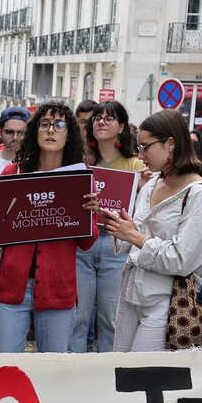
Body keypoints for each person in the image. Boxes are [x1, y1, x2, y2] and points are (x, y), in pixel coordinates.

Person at [96, 112, 202, 352]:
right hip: (131, 294)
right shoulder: (152, 183)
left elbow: (181, 260)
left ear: (171, 144)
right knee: (120, 371)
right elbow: (131, 238)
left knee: (141, 378)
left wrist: (134, 236)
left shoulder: (200, 196)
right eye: (138, 147)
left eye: (145, 147)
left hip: (170, 303)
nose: (141, 155)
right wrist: (111, 221)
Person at [0, 101, 92, 352]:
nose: (51, 130)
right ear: (35, 131)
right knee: (5, 366)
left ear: (69, 134)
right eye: (45, 124)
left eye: (59, 124)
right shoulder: (13, 172)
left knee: (53, 373)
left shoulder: (79, 178)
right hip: (11, 287)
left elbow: (87, 242)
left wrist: (88, 213)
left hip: (57, 289)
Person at [73, 99, 138, 352]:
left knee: (110, 320)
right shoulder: (80, 162)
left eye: (109, 118)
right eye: (97, 117)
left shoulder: (135, 166)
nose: (101, 121)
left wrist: (145, 183)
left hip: (116, 246)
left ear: (122, 127)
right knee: (78, 318)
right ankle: (73, 373)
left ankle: (107, 376)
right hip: (82, 245)